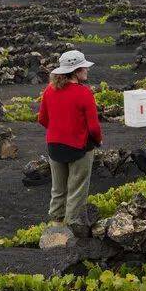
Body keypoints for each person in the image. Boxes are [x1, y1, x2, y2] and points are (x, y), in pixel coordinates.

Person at [37, 49, 102, 235]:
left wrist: (58, 130)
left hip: (54, 146)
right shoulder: (84, 93)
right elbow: (94, 128)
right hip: (79, 148)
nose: (86, 71)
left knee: (58, 188)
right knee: (76, 189)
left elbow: (42, 119)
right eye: (84, 68)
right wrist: (97, 141)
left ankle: (56, 226)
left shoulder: (50, 90)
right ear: (76, 71)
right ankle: (72, 228)